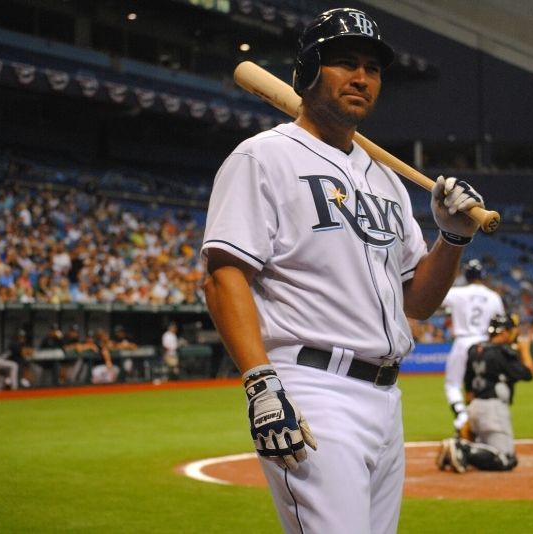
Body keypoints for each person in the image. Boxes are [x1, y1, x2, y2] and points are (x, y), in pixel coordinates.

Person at [201, 8, 485, 533]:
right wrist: (261, 385)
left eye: (372, 68)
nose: (361, 77)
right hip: (312, 388)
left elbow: (416, 302)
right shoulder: (263, 157)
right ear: (308, 72)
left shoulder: (387, 179)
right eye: (344, 63)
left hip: (385, 396)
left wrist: (452, 238)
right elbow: (223, 276)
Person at [436, 313, 533, 473]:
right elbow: (529, 374)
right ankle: (462, 448)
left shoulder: (475, 350)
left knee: (492, 450)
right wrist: (525, 351)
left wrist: (470, 417)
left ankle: (456, 448)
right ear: (503, 333)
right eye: (510, 331)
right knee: (506, 459)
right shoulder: (502, 353)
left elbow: (468, 390)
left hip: (475, 407)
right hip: (493, 409)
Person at [441, 259, 505, 433]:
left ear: (466, 275)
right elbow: (500, 324)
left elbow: (436, 299)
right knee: (481, 385)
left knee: (453, 384)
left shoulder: (456, 293)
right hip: (485, 343)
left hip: (463, 341)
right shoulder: (494, 296)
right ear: (482, 276)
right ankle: (483, 421)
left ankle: (462, 416)